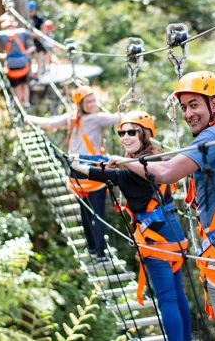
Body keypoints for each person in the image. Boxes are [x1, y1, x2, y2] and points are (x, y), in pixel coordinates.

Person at [107, 72, 215, 341]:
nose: (189, 114)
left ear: (214, 104)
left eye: (195, 105)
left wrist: (124, 161)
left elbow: (166, 172)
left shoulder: (210, 138)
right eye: (184, 107)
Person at [71, 110, 192, 341]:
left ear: (144, 135)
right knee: (178, 294)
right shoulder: (159, 160)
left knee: (167, 298)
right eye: (122, 132)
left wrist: (76, 164)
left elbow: (97, 173)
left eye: (131, 132)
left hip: (154, 235)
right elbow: (109, 167)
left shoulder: (127, 173)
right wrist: (117, 161)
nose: (125, 136)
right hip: (173, 230)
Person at [26, 85, 121, 263]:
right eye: (89, 101)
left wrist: (29, 118)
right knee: (98, 214)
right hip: (93, 171)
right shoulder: (96, 118)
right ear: (81, 104)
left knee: (85, 213)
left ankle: (92, 248)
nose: (93, 104)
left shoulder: (71, 118)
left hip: (75, 171)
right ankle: (101, 253)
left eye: (94, 100)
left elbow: (49, 123)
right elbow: (118, 118)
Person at [0, 15, 35, 107]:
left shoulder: (2, 34)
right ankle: (26, 102)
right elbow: (35, 36)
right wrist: (27, 51)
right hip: (23, 64)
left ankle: (18, 103)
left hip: (11, 66)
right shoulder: (22, 32)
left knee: (16, 87)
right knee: (24, 84)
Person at [28, 0, 45, 78]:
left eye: (32, 10)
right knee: (30, 57)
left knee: (39, 58)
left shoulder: (39, 19)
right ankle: (31, 73)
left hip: (38, 41)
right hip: (29, 41)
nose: (31, 11)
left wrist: (35, 35)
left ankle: (38, 74)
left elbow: (43, 31)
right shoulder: (26, 19)